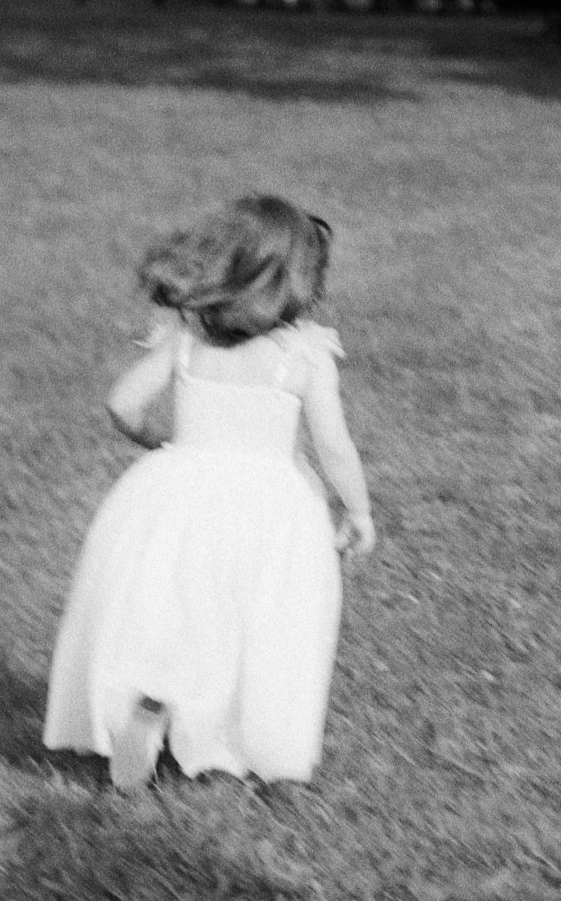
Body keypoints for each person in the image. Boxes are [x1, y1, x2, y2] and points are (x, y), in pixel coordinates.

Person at [45, 195, 374, 793]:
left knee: (177, 609)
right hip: (269, 507)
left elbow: (122, 404)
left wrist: (162, 443)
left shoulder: (188, 342)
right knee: (251, 619)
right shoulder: (302, 357)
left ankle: (154, 706)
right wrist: (357, 508)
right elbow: (333, 445)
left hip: (175, 490)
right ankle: (222, 749)